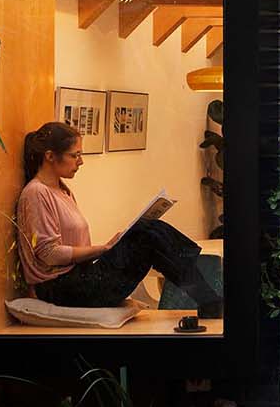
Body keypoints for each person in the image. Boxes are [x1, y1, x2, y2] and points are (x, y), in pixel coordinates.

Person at [15, 121, 222, 317]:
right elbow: (49, 254)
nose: (81, 161)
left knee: (148, 229)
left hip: (81, 276)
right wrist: (103, 249)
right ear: (50, 156)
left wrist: (112, 246)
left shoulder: (62, 190)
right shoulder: (36, 194)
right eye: (74, 155)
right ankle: (209, 299)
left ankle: (208, 299)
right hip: (62, 287)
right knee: (146, 236)